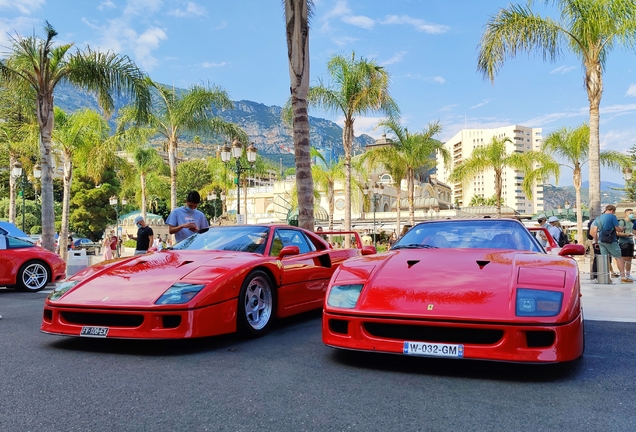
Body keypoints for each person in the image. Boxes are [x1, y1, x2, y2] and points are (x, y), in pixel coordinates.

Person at [590, 205, 631, 284]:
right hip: (611, 240)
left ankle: (606, 278)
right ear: (612, 210)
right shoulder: (612, 217)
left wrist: (596, 241)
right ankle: (623, 277)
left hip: (601, 241)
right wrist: (623, 228)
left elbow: (594, 231)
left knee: (605, 258)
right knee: (618, 257)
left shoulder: (598, 218)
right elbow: (618, 229)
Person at [618, 208, 635, 280]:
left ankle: (628, 274)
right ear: (625, 214)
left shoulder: (632, 223)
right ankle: (622, 274)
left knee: (629, 258)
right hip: (623, 242)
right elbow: (618, 233)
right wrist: (626, 234)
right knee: (623, 258)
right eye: (630, 213)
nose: (631, 214)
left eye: (632, 213)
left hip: (631, 242)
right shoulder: (622, 222)